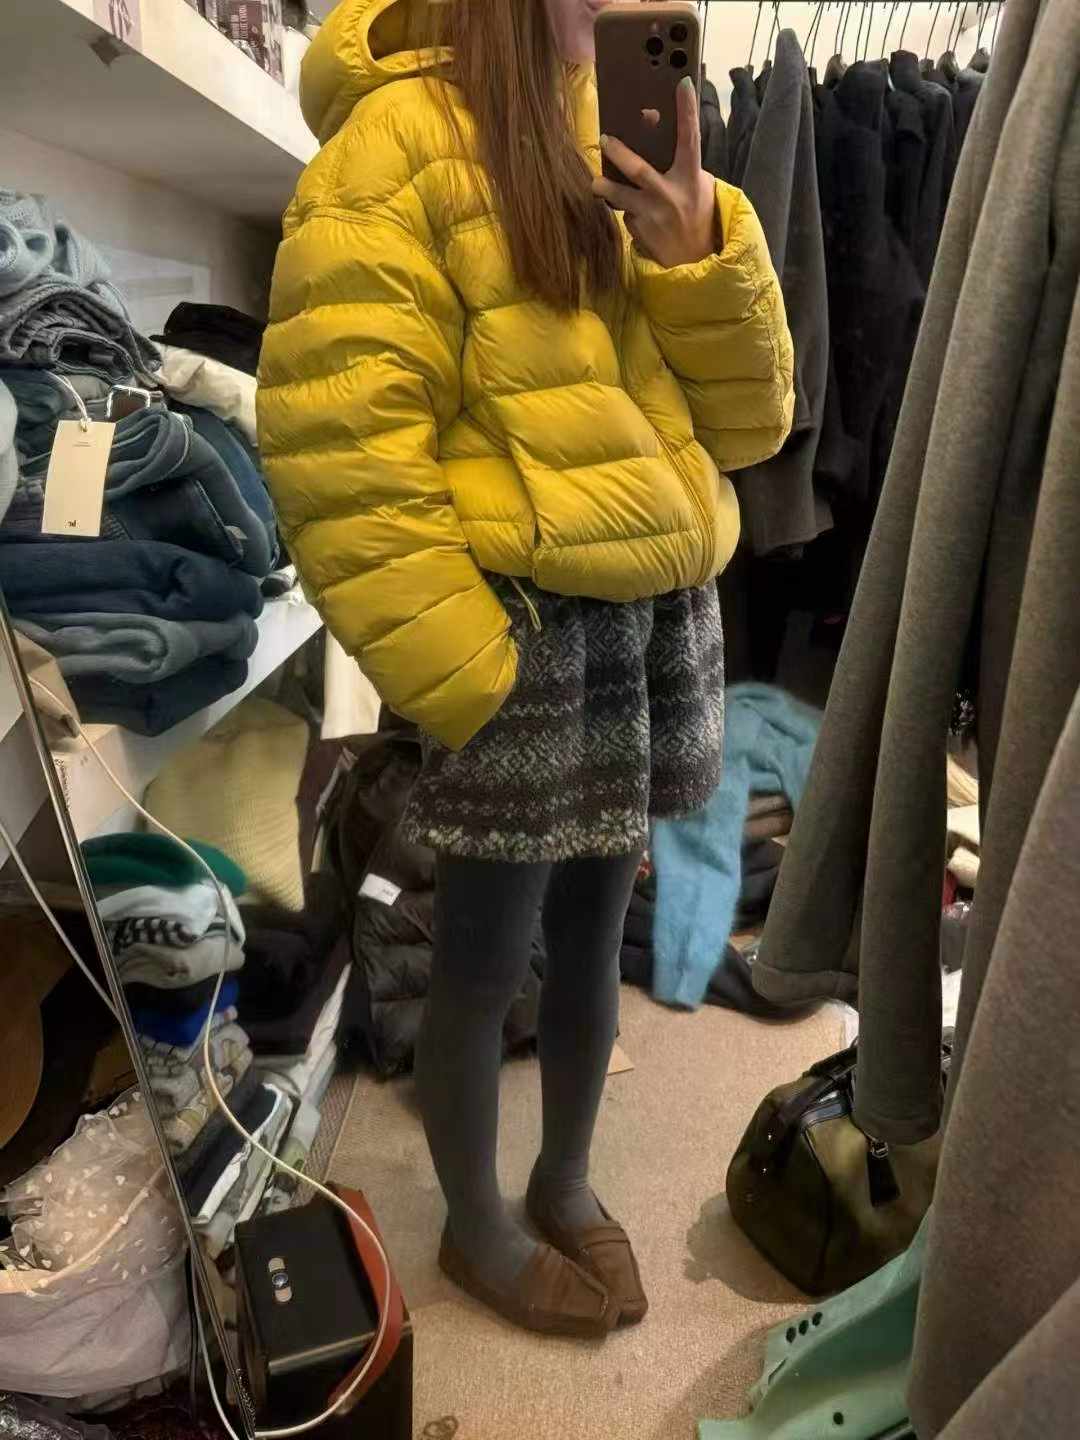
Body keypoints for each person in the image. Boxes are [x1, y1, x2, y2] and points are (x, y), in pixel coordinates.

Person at [258, 0, 793, 1339]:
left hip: (654, 614)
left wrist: (698, 254)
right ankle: (474, 1223)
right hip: (523, 626)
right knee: (482, 958)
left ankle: (562, 1178)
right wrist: (473, 672)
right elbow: (346, 452)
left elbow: (749, 425)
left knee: (596, 933)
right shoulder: (397, 138)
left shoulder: (634, 135)